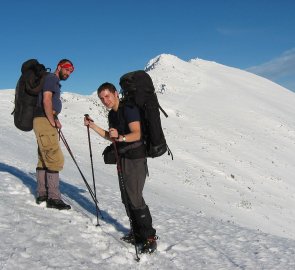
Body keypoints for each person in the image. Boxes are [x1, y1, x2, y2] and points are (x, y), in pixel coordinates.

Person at [84, 82, 157, 253]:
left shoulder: (129, 109)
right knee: (126, 197)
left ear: (116, 93)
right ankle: (137, 232)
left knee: (136, 198)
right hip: (122, 158)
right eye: (102, 98)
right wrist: (93, 125)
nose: (105, 100)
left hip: (136, 158)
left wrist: (122, 138)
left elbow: (137, 133)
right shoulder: (113, 115)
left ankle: (149, 237)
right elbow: (112, 137)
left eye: (107, 96)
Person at [33, 59, 74, 210]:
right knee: (54, 158)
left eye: (71, 71)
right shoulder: (51, 79)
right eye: (67, 69)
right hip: (45, 121)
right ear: (59, 67)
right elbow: (47, 100)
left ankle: (42, 194)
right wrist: (52, 120)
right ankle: (54, 199)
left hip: (42, 120)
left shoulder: (51, 79)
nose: (68, 73)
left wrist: (53, 118)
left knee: (44, 157)